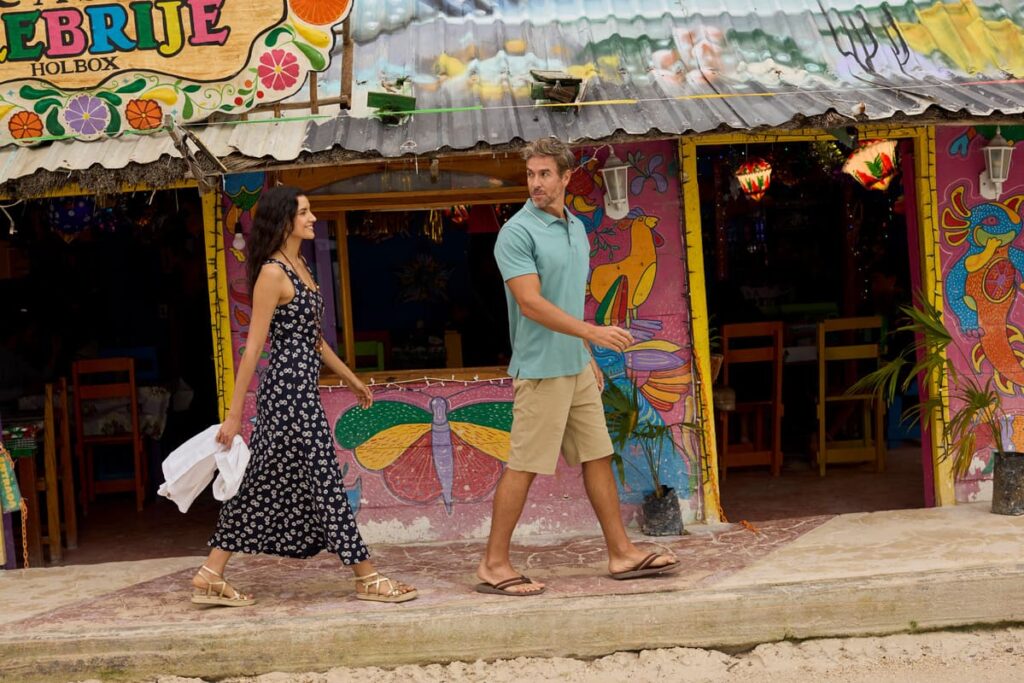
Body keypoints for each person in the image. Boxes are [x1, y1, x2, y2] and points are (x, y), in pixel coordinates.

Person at [191, 186, 416, 606]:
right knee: (325, 480)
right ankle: (366, 575)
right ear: (284, 221)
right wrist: (234, 414)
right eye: (305, 213)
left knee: (261, 482)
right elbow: (253, 348)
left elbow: (313, 340)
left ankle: (210, 573)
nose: (312, 218)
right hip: (286, 396)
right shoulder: (273, 274)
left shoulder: (301, 267)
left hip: (302, 392)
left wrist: (350, 378)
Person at [476, 138, 681, 596]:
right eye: (531, 175)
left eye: (545, 174)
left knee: (597, 456)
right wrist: (592, 334)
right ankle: (493, 564)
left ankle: (621, 553)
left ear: (567, 177)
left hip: (573, 364)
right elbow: (530, 303)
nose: (536, 183)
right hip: (541, 369)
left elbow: (566, 297)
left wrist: (585, 354)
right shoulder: (516, 233)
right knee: (525, 465)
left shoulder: (576, 228)